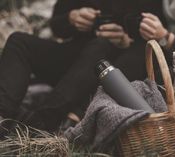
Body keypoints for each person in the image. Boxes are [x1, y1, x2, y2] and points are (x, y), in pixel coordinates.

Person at [0, 0, 160, 132]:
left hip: (116, 70)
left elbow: (154, 40)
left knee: (102, 46)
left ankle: (43, 122)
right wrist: (71, 18)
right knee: (19, 42)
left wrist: (126, 41)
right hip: (75, 62)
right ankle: (2, 115)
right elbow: (57, 25)